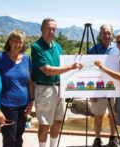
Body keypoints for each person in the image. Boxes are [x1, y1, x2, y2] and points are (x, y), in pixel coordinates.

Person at [31, 18, 83, 147]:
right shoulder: (36, 47)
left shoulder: (57, 46)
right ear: (41, 29)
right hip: (45, 89)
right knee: (44, 124)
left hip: (60, 88)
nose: (51, 31)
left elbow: (62, 65)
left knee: (58, 121)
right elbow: (47, 71)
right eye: (48, 28)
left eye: (54, 29)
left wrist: (74, 59)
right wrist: (72, 66)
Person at [0, 29, 34, 147]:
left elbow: (30, 82)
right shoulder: (1, 57)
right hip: (7, 105)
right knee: (9, 138)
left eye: (20, 42)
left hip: (24, 104)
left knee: (19, 136)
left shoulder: (26, 58)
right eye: (15, 41)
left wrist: (31, 101)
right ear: (10, 42)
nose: (17, 44)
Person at [88, 24, 120, 147]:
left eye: (109, 33)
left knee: (114, 115)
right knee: (98, 116)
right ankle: (97, 139)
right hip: (97, 88)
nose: (107, 35)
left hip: (114, 88)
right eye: (104, 33)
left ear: (112, 34)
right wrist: (90, 93)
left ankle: (113, 138)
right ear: (100, 34)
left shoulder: (118, 49)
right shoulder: (93, 49)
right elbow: (89, 69)